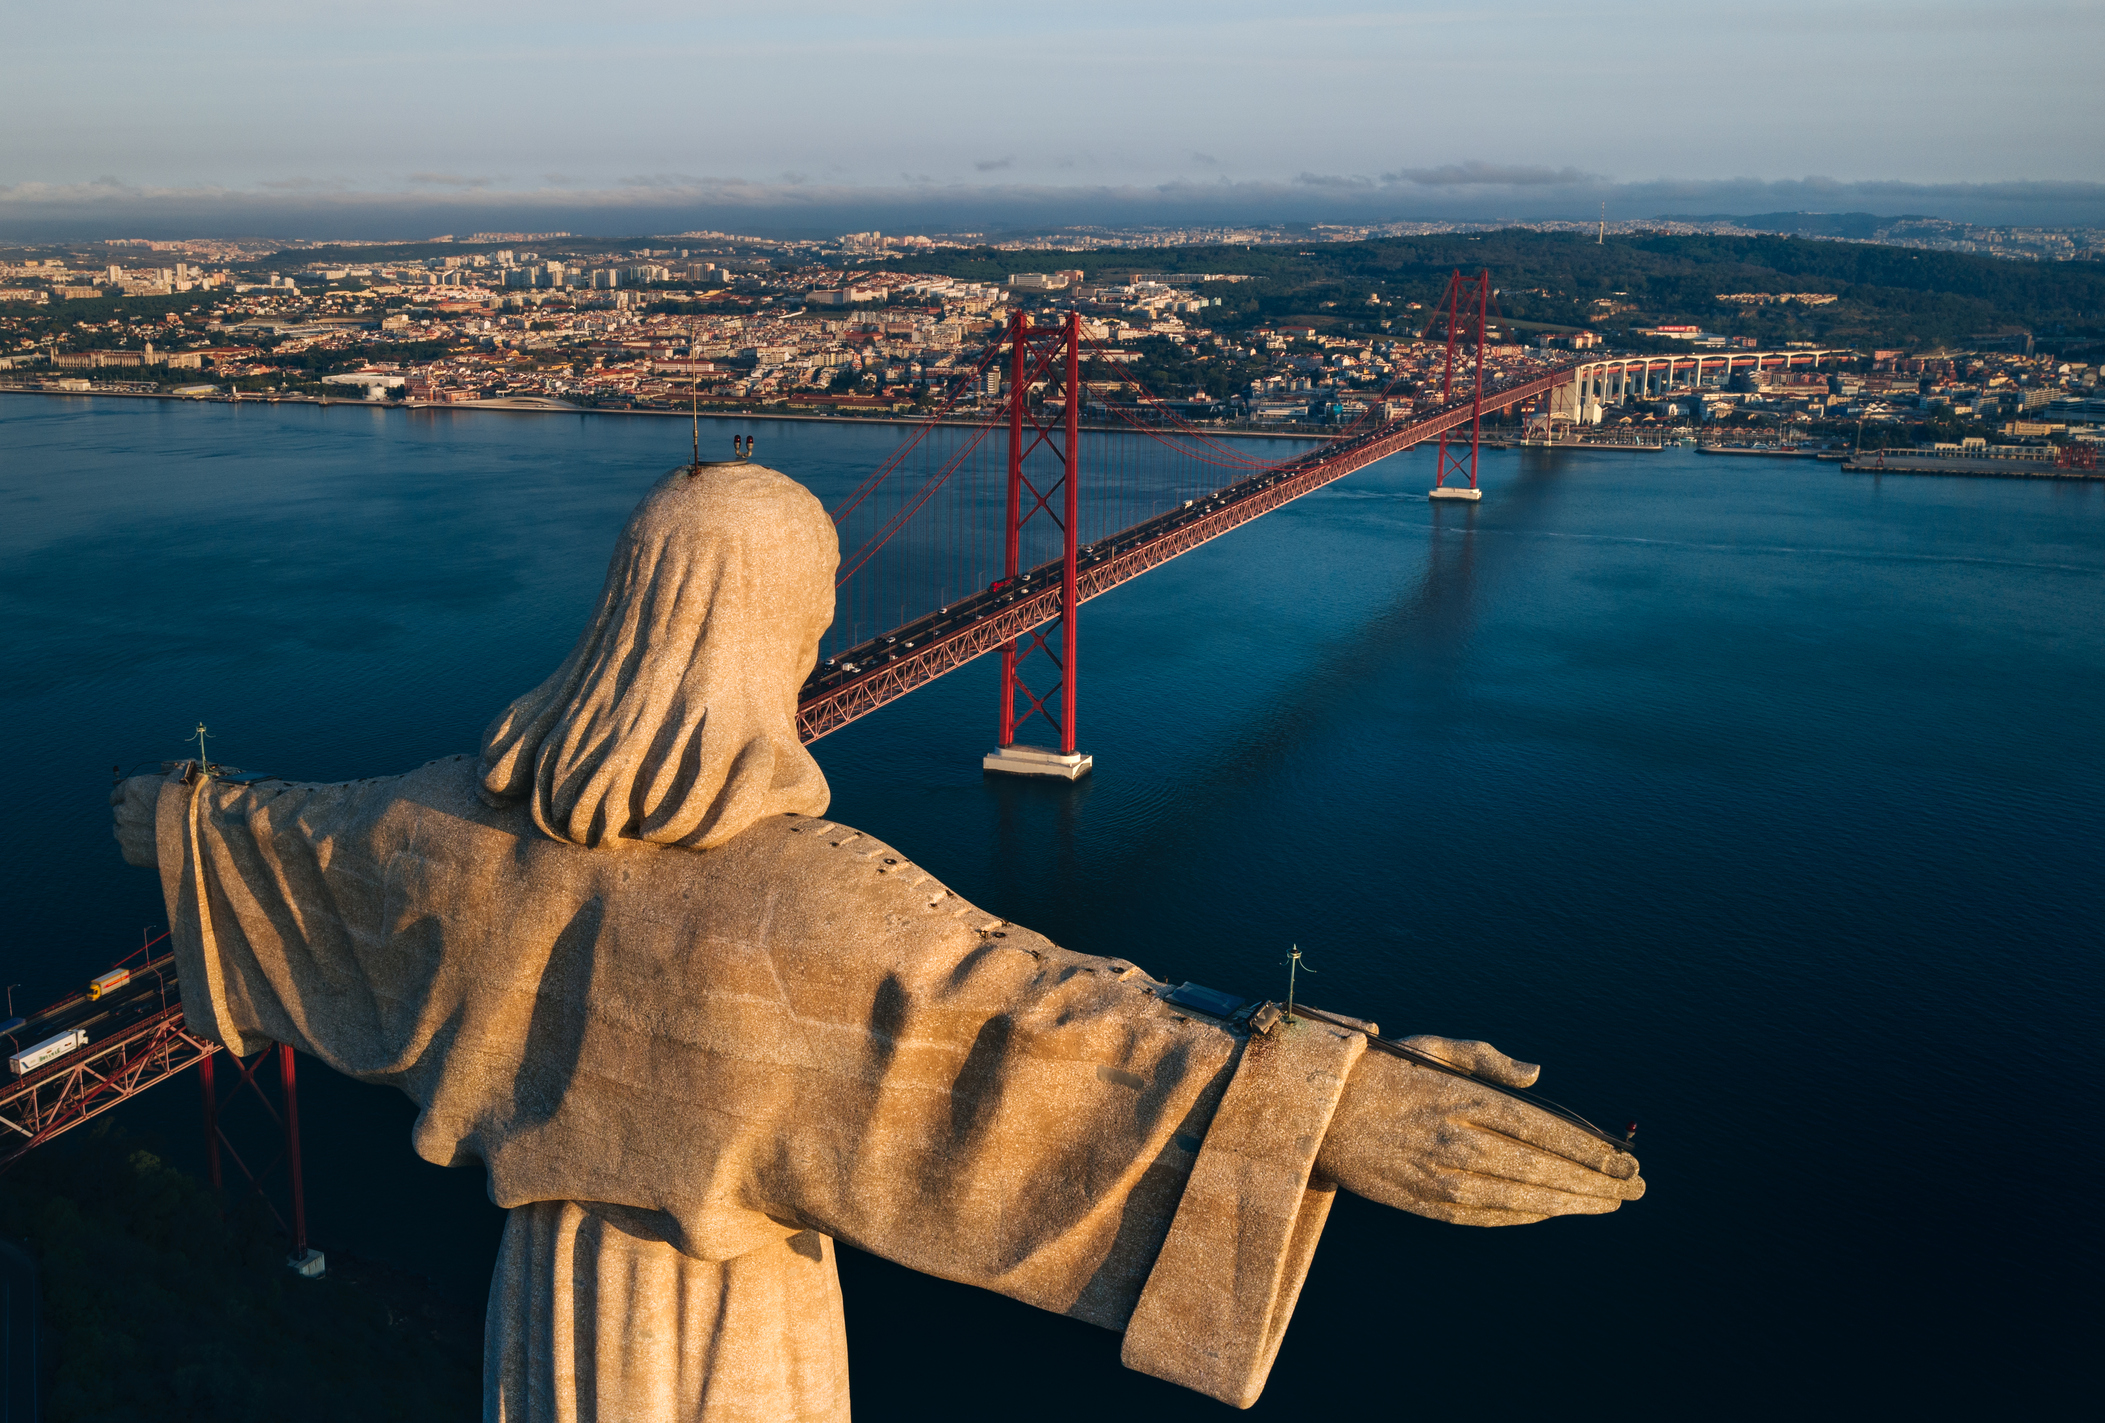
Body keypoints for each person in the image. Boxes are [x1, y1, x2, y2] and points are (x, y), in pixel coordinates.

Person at [112, 461, 1643, 1421]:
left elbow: (276, 836)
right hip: (732, 1323)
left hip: (549, 1290)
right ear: (784, 628)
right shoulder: (813, 897)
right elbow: (1048, 1033)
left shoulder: (443, 821)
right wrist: (1332, 1097)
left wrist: (170, 813)